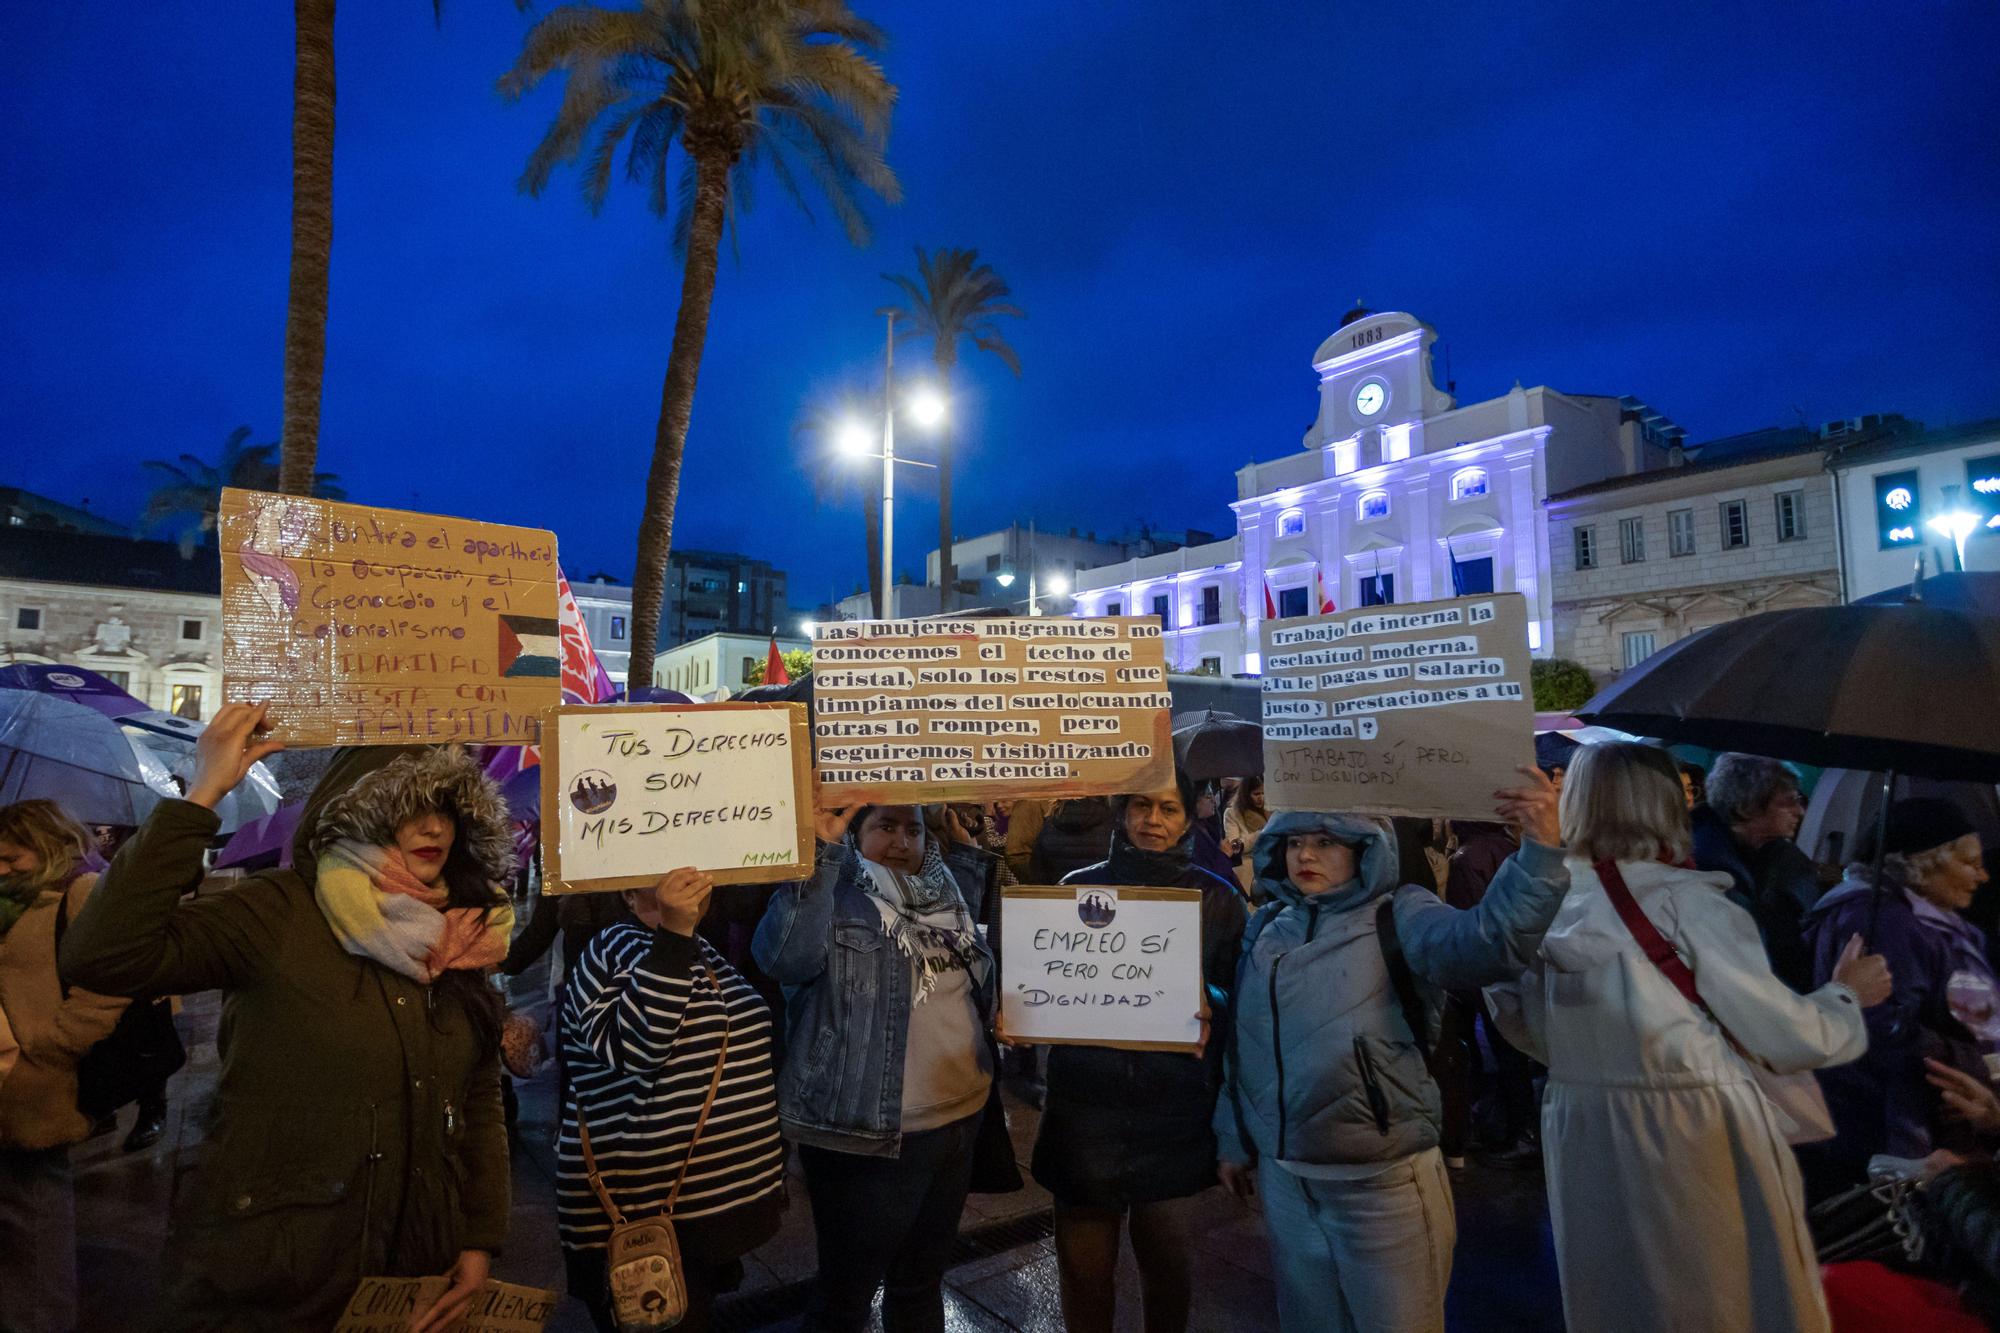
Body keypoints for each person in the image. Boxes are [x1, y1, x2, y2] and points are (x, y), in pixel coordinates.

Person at [59, 704, 513, 1332]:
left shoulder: (464, 935)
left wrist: (477, 1235)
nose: (431, 825)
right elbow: (103, 955)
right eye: (407, 804)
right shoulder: (277, 912)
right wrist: (203, 795)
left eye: (447, 808)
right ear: (358, 811)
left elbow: (479, 1094)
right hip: (274, 1278)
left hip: (413, 1273)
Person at [1486, 742, 1889, 1333]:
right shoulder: (1689, 905)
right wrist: (1846, 995)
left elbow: (1518, 1018)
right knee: (1717, 1293)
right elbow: (1783, 1033)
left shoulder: (1539, 901)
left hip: (1581, 1121)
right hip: (1690, 1126)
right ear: (1666, 806)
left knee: (1618, 1294)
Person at [1215, 765, 1565, 1332]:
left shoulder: (1401, 912)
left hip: (1383, 1184)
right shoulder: (1269, 926)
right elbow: (1244, 1043)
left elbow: (1489, 945)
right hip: (1287, 1182)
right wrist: (1234, 1137)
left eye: (1327, 841)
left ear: (1365, 847)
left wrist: (1542, 851)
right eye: (1297, 841)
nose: (1307, 854)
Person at [752, 803, 1014, 1332]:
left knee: (920, 1286)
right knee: (845, 1298)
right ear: (856, 833)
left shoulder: (949, 888)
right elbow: (781, 959)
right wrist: (819, 857)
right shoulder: (834, 892)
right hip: (868, 1132)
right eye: (885, 827)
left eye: (912, 830)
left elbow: (972, 977)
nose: (900, 841)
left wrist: (1004, 1005)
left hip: (959, 1122)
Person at [1023, 773, 1245, 1333]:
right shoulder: (1078, 886)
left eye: (1167, 809)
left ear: (1187, 818)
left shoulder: (1218, 897)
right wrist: (1022, 1006)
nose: (1153, 820)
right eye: (1141, 806)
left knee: (1168, 1269)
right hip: (1084, 1113)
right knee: (1083, 1271)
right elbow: (1046, 976)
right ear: (1121, 813)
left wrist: (1206, 1000)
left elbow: (1238, 1001)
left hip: (1172, 1114)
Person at [559, 867, 786, 1332]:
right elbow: (635, 1047)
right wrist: (675, 930)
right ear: (626, 890)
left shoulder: (697, 949)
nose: (690, 870)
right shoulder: (608, 949)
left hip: (702, 1218)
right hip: (647, 1224)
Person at [1803, 798, 1994, 1190]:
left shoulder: (1922, 918)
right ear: (1921, 863)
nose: (1982, 876)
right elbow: (1884, 1030)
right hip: (1895, 1136)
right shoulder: (1885, 921)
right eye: (1968, 863)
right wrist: (1970, 1062)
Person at [0, 799, 129, 1333]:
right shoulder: (6, 904)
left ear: (49, 844)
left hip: (35, 1080)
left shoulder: (80, 892)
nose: (2, 869)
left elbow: (108, 989)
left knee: (33, 1220)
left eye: (13, 857)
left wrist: (48, 1054)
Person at [1434, 820, 1543, 1169]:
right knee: (1512, 1055)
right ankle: (1523, 1130)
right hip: (1518, 966)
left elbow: (1471, 923)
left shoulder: (1467, 858)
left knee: (1491, 1056)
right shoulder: (1511, 850)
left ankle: (1514, 1132)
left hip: (1484, 974)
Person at [1694, 752, 1820, 991]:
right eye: (1788, 801)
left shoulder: (1774, 857)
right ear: (1747, 806)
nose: (1800, 811)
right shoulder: (1710, 867)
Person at [1029, 796, 1114, 885]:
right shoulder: (1112, 822)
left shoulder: (1049, 825)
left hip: (1060, 895)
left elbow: (1038, 873)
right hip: (1104, 895)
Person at [1221, 776, 1268, 899]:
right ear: (1246, 794)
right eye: (1256, 793)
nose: (1261, 798)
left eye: (1263, 793)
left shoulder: (1271, 811)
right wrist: (1261, 833)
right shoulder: (1232, 813)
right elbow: (1235, 845)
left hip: (1271, 869)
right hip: (1248, 872)